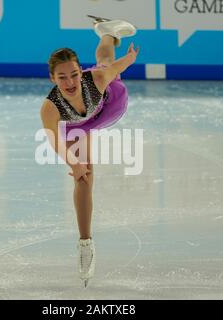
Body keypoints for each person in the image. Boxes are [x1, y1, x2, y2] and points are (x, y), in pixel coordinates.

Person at [40, 16, 139, 287]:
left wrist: (129, 58)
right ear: (52, 78)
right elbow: (54, 141)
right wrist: (74, 163)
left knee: (106, 62)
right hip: (76, 128)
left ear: (79, 70)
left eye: (73, 74)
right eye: (62, 77)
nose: (70, 82)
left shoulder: (94, 78)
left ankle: (106, 34)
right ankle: (86, 245)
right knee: (83, 177)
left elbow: (117, 65)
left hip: (109, 106)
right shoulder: (50, 107)